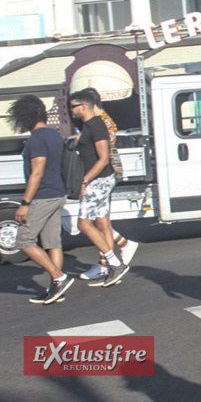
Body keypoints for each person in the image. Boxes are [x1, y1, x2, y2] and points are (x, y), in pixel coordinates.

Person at [8, 95, 73, 304]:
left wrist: (25, 203)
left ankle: (58, 277)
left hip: (43, 196)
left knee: (24, 240)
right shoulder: (53, 135)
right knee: (53, 243)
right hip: (58, 193)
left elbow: (37, 172)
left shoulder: (36, 138)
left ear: (24, 117)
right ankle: (56, 287)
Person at [69, 89, 129, 288]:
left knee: (84, 225)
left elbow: (103, 159)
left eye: (73, 106)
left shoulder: (96, 124)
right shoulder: (88, 125)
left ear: (83, 106)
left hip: (98, 181)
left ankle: (115, 263)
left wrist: (84, 181)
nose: (71, 111)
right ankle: (107, 268)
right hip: (99, 180)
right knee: (102, 223)